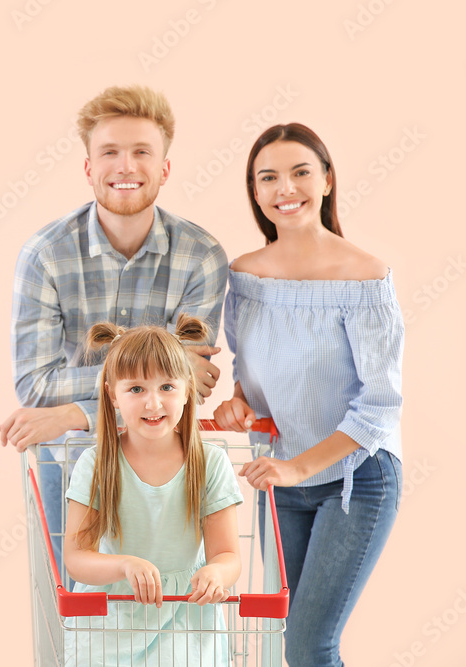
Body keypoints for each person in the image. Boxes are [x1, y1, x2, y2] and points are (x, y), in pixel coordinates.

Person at [0, 85, 229, 573]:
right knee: (80, 622)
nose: (126, 167)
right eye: (110, 152)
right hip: (70, 469)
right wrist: (153, 374)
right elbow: (36, 385)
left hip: (169, 470)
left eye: (142, 152)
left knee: (172, 613)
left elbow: (188, 386)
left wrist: (72, 414)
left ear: (165, 169)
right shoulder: (45, 255)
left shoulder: (201, 257)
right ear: (88, 168)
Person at [213, 123, 403, 667]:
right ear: (255, 192)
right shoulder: (245, 276)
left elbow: (380, 406)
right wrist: (239, 404)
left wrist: (298, 468)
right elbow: (249, 377)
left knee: (308, 646)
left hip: (355, 479)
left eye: (300, 172)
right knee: (288, 645)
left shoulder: (364, 276)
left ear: (326, 181)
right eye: (267, 177)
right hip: (281, 485)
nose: (284, 188)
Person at [63, 315, 243, 666]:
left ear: (187, 389)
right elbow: (76, 557)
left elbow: (228, 555)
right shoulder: (96, 464)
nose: (153, 403)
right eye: (136, 389)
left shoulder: (211, 463)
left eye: (166, 387)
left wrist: (216, 573)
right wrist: (125, 565)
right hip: (110, 620)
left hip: (184, 618)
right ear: (112, 395)